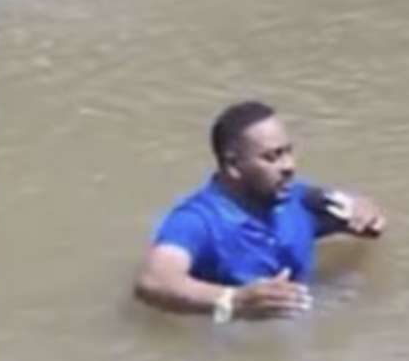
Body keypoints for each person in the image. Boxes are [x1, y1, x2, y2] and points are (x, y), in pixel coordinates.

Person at [133, 100, 386, 323]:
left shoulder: (298, 200)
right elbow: (154, 282)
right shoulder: (197, 220)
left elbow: (354, 204)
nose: (289, 166)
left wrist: (364, 213)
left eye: (288, 151)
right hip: (231, 347)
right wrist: (234, 301)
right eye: (272, 157)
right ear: (233, 165)